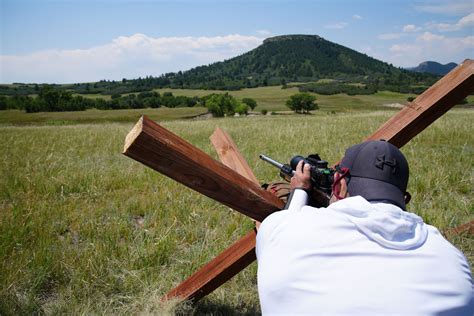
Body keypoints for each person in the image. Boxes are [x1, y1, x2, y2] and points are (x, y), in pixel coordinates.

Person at [256, 140, 473, 315]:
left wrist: (301, 189)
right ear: (404, 197)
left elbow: (286, 221)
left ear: (339, 186)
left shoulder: (280, 229)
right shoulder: (451, 257)